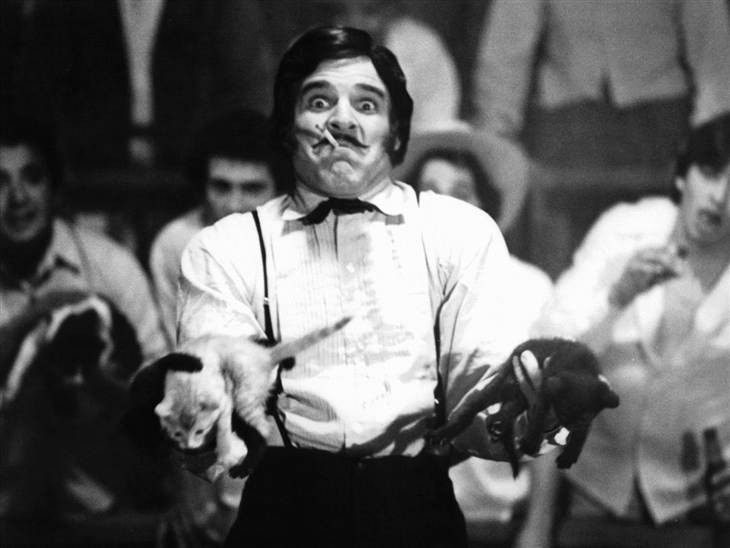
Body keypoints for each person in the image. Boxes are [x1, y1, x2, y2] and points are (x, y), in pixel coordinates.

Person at [171, 26, 570, 548]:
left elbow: (483, 406)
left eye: (366, 104)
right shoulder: (225, 249)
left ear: (394, 134)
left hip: (413, 506)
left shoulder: (462, 240)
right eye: (319, 101)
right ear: (288, 126)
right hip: (285, 507)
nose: (341, 120)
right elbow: (205, 418)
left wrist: (527, 413)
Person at [515, 113, 730, 547]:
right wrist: (617, 298)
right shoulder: (623, 231)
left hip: (695, 506)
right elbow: (545, 362)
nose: (720, 196)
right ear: (682, 175)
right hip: (589, 493)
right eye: (710, 173)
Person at [472, 0, 730, 278]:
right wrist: (497, 143)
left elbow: (714, 58)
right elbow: (506, 51)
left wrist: (709, 151)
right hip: (569, 131)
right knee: (562, 264)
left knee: (664, 253)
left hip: (661, 130)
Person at [0, 115, 168, 538]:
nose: (17, 197)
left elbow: (161, 394)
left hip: (106, 501)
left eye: (32, 178)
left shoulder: (112, 267)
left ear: (54, 187)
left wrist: (102, 384)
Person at [395, 123, 553, 543]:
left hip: (496, 524)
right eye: (430, 192)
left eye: (462, 193)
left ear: (487, 208)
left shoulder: (529, 288)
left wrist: (537, 529)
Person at [149, 108, 290, 345]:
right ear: (202, 187)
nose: (234, 204)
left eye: (252, 189)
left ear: (279, 192)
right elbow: (180, 345)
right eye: (221, 187)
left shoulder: (302, 239)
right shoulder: (177, 242)